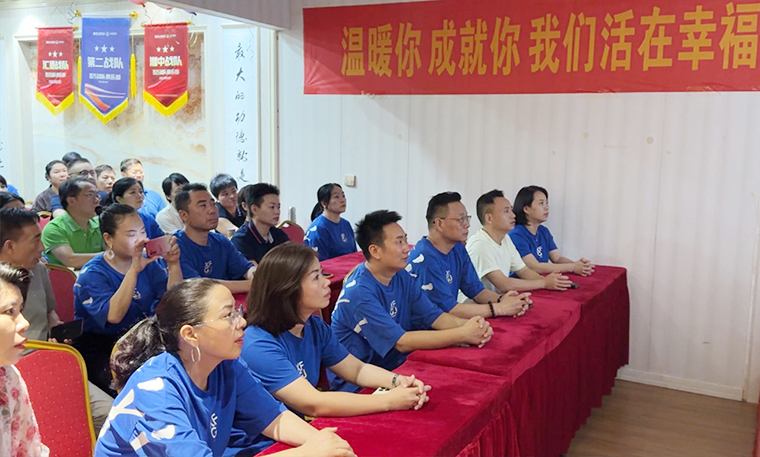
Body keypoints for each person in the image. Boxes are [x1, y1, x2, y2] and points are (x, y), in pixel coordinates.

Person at [98, 278, 355, 457]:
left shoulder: (225, 363)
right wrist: (309, 452)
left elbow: (273, 417)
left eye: (237, 311)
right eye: (227, 315)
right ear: (190, 335)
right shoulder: (155, 391)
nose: (241, 322)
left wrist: (322, 442)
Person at [242, 243, 431, 418]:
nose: (326, 282)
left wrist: (399, 381)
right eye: (316, 277)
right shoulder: (258, 345)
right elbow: (313, 404)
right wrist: (389, 401)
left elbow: (357, 370)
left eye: (322, 274)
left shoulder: (314, 326)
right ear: (287, 289)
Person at [330, 210, 493, 392]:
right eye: (399, 242)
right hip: (360, 386)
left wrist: (474, 326)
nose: (407, 248)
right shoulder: (359, 293)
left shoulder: (400, 275)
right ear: (375, 251)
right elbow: (401, 341)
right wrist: (462, 334)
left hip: (398, 367)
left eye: (405, 239)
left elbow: (434, 316)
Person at [0, 208, 113, 434]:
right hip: (14, 364)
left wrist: (59, 333)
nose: (42, 248)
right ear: (10, 246)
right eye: (35, 240)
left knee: (110, 414)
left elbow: (50, 314)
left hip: (50, 361)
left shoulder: (39, 270)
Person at [73, 204, 181, 395]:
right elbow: (114, 315)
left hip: (143, 339)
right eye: (131, 234)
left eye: (143, 232)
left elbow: (173, 301)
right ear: (108, 239)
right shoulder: (92, 273)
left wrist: (173, 265)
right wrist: (134, 270)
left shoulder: (150, 264)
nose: (141, 240)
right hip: (103, 348)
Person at [407, 192, 530, 319]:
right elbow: (448, 310)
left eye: (467, 218)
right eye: (461, 219)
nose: (467, 224)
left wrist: (504, 300)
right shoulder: (425, 259)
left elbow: (476, 290)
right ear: (439, 224)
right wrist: (500, 308)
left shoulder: (457, 247)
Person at [464, 190, 573, 297]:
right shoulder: (480, 244)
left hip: (498, 300)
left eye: (511, 210)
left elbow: (524, 271)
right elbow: (503, 284)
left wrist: (549, 281)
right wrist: (544, 283)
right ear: (489, 218)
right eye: (506, 211)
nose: (513, 215)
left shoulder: (505, 239)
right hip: (474, 304)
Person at [0, 263, 50, 457]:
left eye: (20, 310)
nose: (25, 323)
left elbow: (28, 451)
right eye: (9, 311)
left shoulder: (7, 377)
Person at [174, 184, 255, 294]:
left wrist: (254, 275)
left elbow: (245, 268)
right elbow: (198, 286)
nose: (212, 210)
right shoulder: (175, 247)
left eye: (213, 204)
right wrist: (249, 285)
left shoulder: (220, 240)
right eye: (203, 206)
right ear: (184, 215)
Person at [509, 186, 595, 276]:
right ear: (526, 209)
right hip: (522, 282)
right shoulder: (516, 234)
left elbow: (558, 258)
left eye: (547, 203)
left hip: (542, 280)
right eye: (541, 203)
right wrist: (573, 267)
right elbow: (535, 267)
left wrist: (578, 265)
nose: (546, 207)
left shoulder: (543, 231)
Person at [41, 177, 104, 268]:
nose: (97, 200)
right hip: (66, 276)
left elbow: (112, 249)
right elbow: (71, 260)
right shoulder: (55, 228)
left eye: (97, 195)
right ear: (71, 201)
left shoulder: (98, 224)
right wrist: (108, 256)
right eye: (90, 195)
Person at [231, 183, 290, 264]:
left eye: (278, 207)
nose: (277, 212)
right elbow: (254, 270)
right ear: (254, 210)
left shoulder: (279, 234)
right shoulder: (241, 239)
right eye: (272, 207)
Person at [304, 183, 357, 261]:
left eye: (343, 196)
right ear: (324, 203)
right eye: (336, 197)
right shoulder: (319, 229)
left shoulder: (346, 224)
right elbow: (320, 262)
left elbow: (354, 254)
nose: (342, 200)